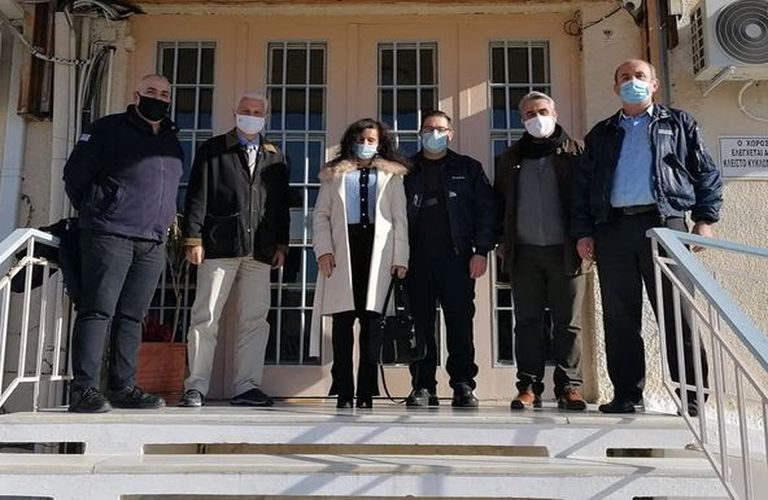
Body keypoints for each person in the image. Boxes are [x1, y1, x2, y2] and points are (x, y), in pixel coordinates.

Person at [571, 59, 723, 415]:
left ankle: (692, 398)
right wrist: (583, 232)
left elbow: (706, 172)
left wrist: (704, 218)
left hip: (665, 224)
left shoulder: (678, 123)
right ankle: (627, 394)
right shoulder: (601, 133)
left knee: (677, 312)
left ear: (654, 84)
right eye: (624, 77)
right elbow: (582, 187)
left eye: (640, 76)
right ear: (615, 87)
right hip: (613, 229)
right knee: (619, 317)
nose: (632, 81)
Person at [63, 74, 183, 413]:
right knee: (97, 310)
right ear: (136, 95)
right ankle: (84, 389)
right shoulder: (107, 129)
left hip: (151, 240)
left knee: (132, 316)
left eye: (164, 94)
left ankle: (123, 387)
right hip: (109, 234)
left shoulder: (171, 140)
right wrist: (100, 209)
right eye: (151, 91)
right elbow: (75, 176)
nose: (158, 98)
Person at [179, 91, 289, 407]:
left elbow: (281, 205)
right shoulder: (214, 149)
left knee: (255, 321)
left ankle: (247, 386)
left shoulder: (276, 155)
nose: (251, 115)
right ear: (235, 112)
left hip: (260, 249)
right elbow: (197, 195)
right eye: (246, 110)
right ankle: (196, 386)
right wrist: (194, 238)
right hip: (219, 245)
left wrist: (281, 243)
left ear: (266, 116)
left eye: (257, 111)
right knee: (206, 317)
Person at [495, 92, 588, 411]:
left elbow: (589, 197)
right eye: (530, 114)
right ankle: (528, 387)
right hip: (524, 253)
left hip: (567, 251)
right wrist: (501, 242)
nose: (538, 118)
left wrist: (588, 236)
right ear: (522, 120)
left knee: (568, 323)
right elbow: (500, 203)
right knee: (527, 322)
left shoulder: (576, 152)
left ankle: (569, 386)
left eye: (543, 111)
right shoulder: (510, 158)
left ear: (555, 113)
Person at [310, 118, 409, 409]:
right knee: (342, 325)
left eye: (371, 140)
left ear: (380, 144)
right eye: (361, 139)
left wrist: (400, 258)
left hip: (378, 253)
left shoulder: (392, 176)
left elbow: (400, 220)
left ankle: (366, 392)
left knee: (372, 325)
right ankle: (343, 390)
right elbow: (320, 216)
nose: (365, 144)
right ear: (351, 141)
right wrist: (323, 250)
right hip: (343, 251)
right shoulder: (334, 175)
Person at [404, 110, 496, 408]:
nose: (434, 134)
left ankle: (462, 384)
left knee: (459, 323)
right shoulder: (406, 170)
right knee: (420, 325)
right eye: (428, 129)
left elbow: (486, 211)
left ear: (450, 133)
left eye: (440, 129)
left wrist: (481, 251)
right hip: (416, 260)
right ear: (420, 133)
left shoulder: (468, 168)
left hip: (457, 259)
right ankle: (422, 385)